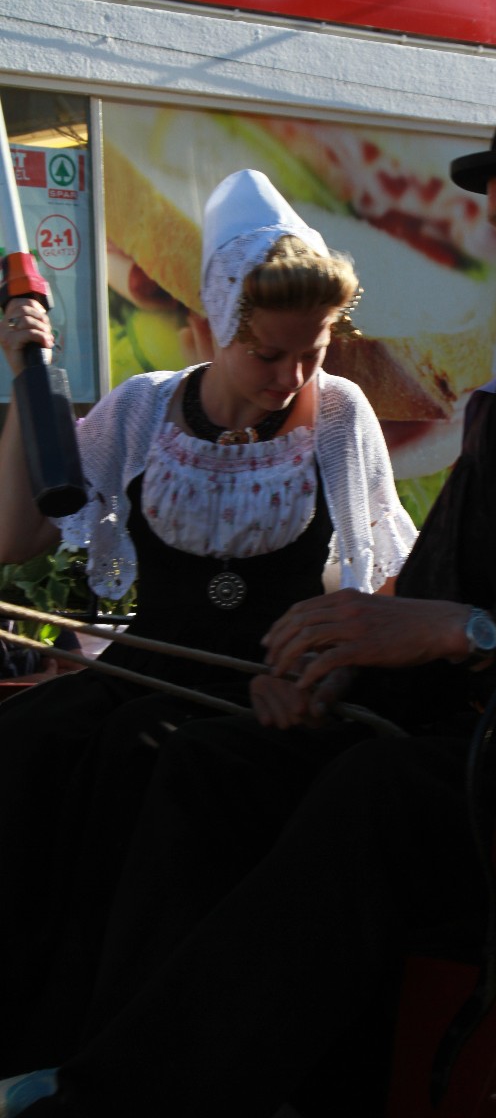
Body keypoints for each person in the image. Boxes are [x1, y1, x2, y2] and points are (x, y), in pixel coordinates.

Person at [0, 94, 496, 1118]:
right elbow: (426, 600)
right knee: (212, 758)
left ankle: (126, 1101)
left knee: (376, 788)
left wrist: (471, 635)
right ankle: (112, 1059)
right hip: (488, 745)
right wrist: (332, 668)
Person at [0, 169, 416, 1076]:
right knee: (24, 743)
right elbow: (16, 536)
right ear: (216, 325)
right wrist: (26, 373)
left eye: (313, 352)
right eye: (267, 354)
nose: (291, 377)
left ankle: (104, 1054)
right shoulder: (144, 408)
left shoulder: (338, 417)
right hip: (145, 670)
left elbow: (382, 586)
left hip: (262, 692)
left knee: (139, 762)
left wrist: (327, 675)